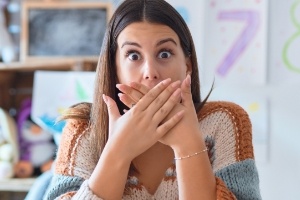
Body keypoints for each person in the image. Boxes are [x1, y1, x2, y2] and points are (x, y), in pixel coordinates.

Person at [44, 0, 262, 199]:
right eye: (133, 55)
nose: (150, 72)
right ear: (115, 68)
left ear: (187, 66)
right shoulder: (83, 130)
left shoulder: (225, 121)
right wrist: (118, 151)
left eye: (164, 53)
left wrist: (189, 146)